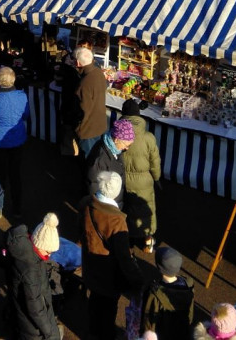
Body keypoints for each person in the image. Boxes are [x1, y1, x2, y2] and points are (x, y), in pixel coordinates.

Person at [80, 170, 145, 340]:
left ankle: (93, 332)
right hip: (108, 276)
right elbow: (124, 258)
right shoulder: (116, 220)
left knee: (94, 303)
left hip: (90, 267)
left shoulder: (86, 203)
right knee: (108, 310)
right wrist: (138, 280)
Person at [0, 66, 29, 220]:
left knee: (0, 174)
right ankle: (17, 209)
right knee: (16, 175)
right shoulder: (22, 96)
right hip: (17, 139)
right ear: (13, 79)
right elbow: (26, 115)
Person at [4, 223, 61, 340]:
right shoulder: (30, 270)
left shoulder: (23, 249)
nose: (49, 255)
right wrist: (49, 333)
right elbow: (35, 308)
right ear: (39, 245)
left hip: (20, 313)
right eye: (47, 251)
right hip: (32, 330)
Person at [121, 98, 161, 251]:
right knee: (146, 209)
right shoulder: (148, 137)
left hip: (124, 179)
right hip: (144, 180)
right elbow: (155, 162)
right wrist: (156, 178)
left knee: (127, 209)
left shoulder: (117, 133)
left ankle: (128, 239)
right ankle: (148, 240)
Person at [141, 246, 195, 340]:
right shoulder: (188, 285)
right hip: (182, 333)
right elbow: (190, 315)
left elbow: (149, 323)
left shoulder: (154, 294)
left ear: (158, 266)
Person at [85, 118, 133, 200]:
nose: (127, 148)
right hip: (106, 205)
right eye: (126, 145)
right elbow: (93, 186)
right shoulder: (99, 159)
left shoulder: (116, 150)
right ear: (117, 140)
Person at [73, 47, 108, 158]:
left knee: (90, 163)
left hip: (88, 130)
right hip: (100, 125)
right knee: (98, 159)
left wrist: (78, 130)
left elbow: (83, 110)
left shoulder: (84, 83)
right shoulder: (98, 72)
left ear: (78, 63)